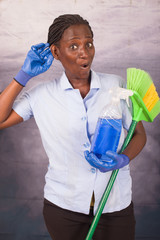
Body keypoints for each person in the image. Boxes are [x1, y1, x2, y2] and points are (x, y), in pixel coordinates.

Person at [0, 14, 146, 240]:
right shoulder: (41, 95)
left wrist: (123, 159)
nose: (84, 52)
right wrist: (23, 76)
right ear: (56, 52)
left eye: (89, 43)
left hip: (114, 204)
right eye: (73, 46)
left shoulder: (116, 85)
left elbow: (138, 134)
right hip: (64, 209)